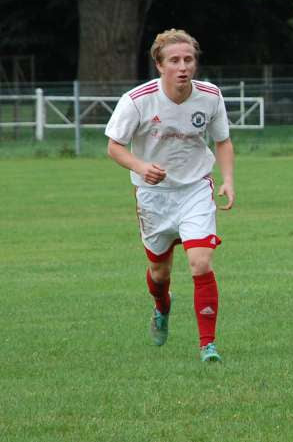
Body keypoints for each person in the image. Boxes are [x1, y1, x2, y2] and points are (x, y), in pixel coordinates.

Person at [105, 28, 235, 363]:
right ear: (159, 65)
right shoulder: (137, 100)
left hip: (195, 189)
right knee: (160, 272)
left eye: (188, 59)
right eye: (174, 60)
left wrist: (228, 179)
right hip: (154, 196)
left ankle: (208, 345)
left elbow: (222, 141)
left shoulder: (210, 96)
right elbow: (114, 147)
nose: (183, 66)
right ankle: (162, 306)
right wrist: (140, 165)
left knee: (200, 262)